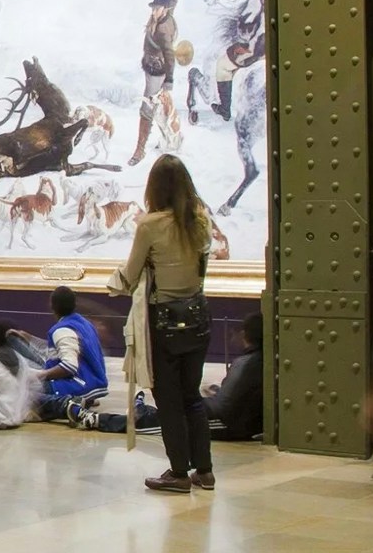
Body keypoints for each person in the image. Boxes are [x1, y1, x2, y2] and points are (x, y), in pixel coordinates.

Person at [110, 153, 214, 493]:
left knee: (167, 399)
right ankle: (205, 471)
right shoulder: (200, 219)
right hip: (197, 315)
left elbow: (130, 274)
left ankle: (179, 473)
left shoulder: (150, 225)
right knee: (191, 397)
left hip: (164, 320)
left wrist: (113, 282)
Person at [30, 287, 111, 421]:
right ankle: (85, 399)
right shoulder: (84, 323)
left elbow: (69, 367)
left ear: (52, 306)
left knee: (26, 393)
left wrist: (41, 375)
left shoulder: (62, 330)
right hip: (92, 381)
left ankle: (70, 402)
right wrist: (27, 338)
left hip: (80, 383)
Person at [129, 0, 180, 167]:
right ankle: (170, 140)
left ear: (164, 9)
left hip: (157, 73)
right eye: (153, 8)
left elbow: (169, 54)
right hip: (152, 69)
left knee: (147, 108)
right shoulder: (168, 11)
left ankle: (140, 150)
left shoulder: (162, 30)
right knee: (160, 107)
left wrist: (169, 79)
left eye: (157, 8)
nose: (154, 11)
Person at [205, 312, 264, 441]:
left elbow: (221, 408)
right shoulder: (262, 360)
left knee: (174, 419)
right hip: (246, 423)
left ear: (243, 334)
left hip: (229, 425)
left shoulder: (244, 363)